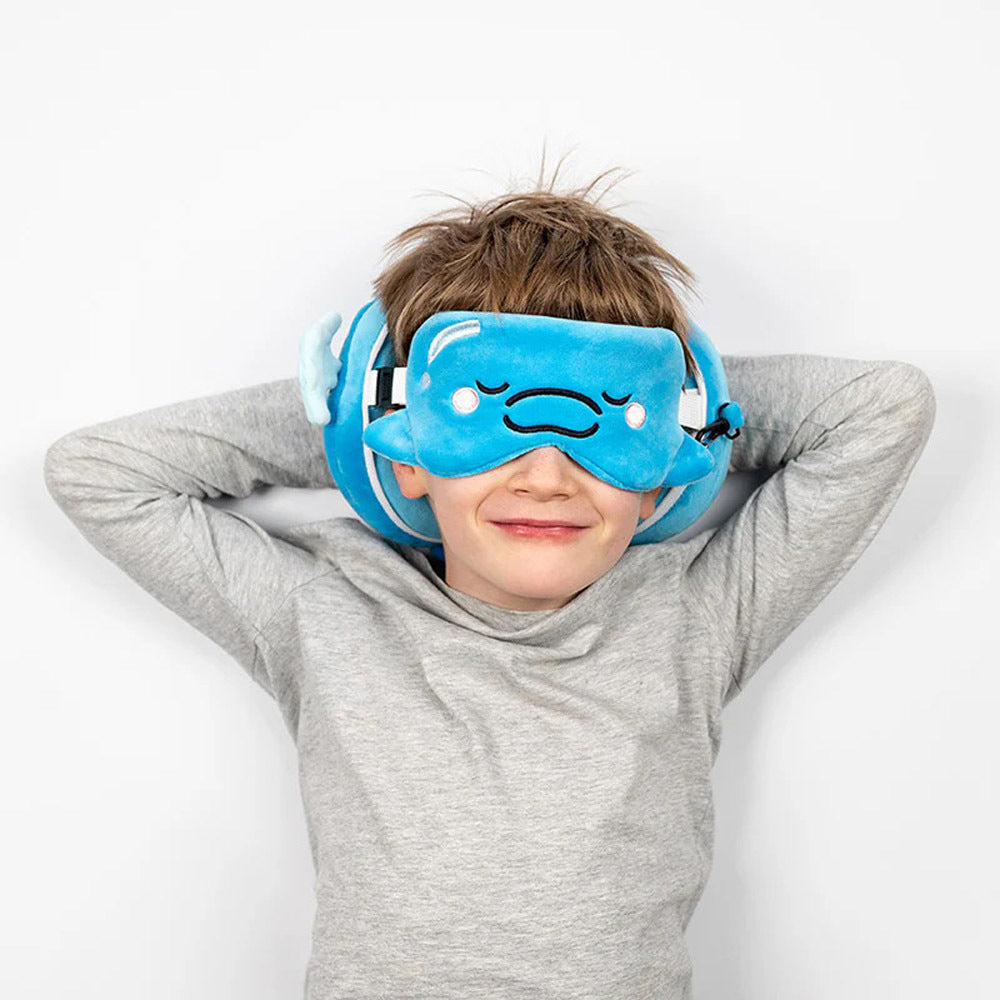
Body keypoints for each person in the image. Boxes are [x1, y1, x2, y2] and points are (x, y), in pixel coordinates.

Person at [42, 169, 936, 999]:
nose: (546, 477)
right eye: (486, 416)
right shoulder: (322, 609)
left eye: (606, 422)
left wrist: (681, 403)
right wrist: (362, 413)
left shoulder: (697, 612)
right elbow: (99, 474)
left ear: (659, 461)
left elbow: (882, 408)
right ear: (407, 436)